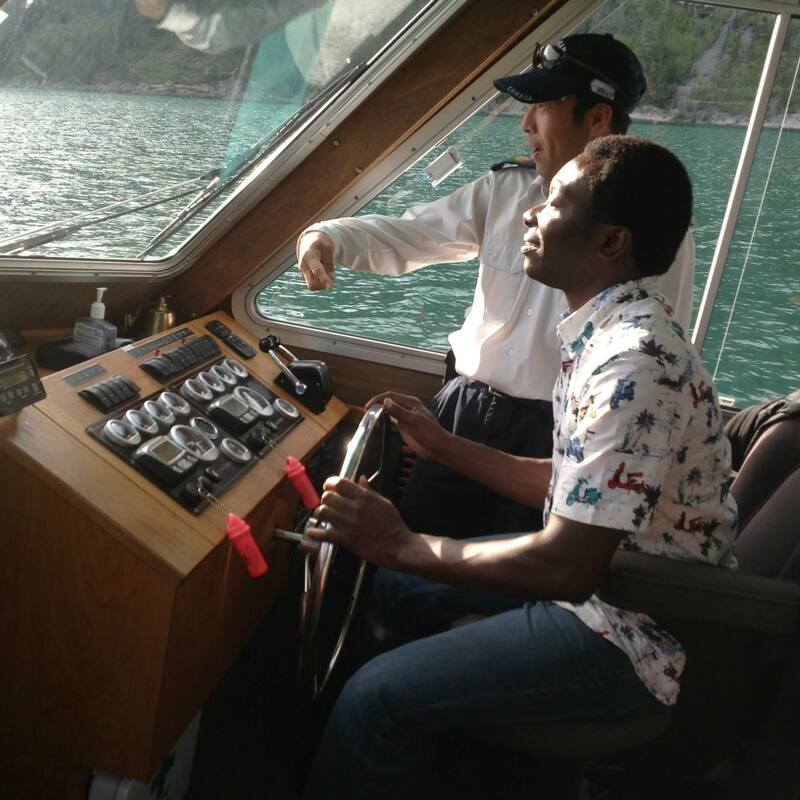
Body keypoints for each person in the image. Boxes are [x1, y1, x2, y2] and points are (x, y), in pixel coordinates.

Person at [302, 135, 737, 799]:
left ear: (610, 242)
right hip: (606, 584)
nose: (531, 215)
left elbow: (567, 564)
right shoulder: (604, 331)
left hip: (630, 630)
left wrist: (399, 540)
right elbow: (570, 487)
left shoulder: (634, 365)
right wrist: (442, 443)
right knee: (389, 590)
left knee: (373, 701)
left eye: (555, 204)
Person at [296, 34, 695, 538]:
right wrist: (326, 237)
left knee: (496, 586)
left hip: (554, 436)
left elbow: (645, 358)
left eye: (546, 106)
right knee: (413, 565)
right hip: (462, 411)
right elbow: (412, 234)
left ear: (597, 118)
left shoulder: (651, 235)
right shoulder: (505, 189)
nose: (526, 123)